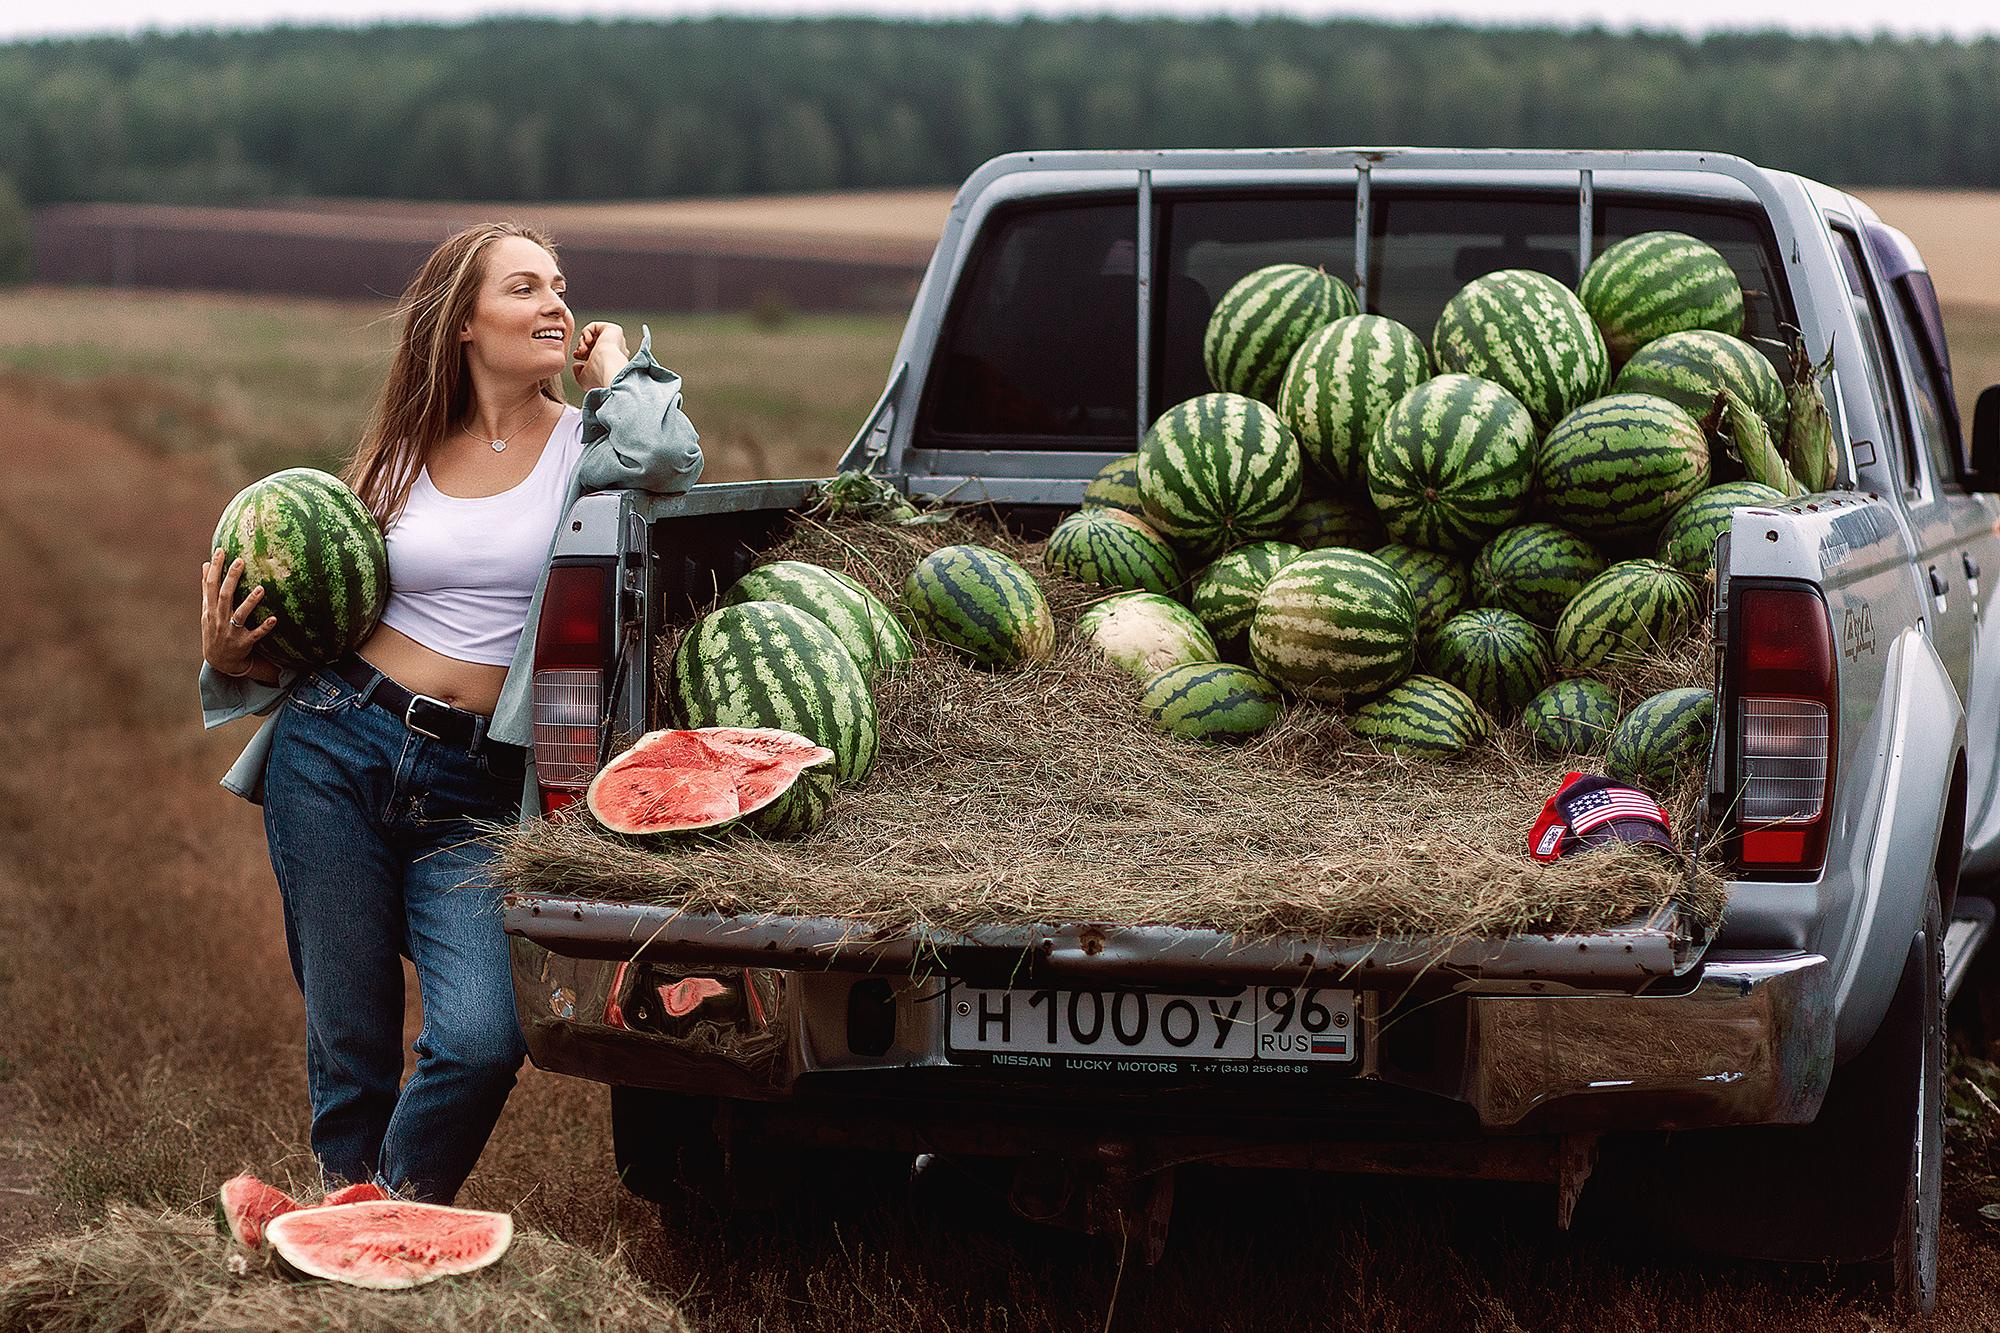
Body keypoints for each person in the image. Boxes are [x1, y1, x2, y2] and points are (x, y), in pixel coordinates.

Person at [197, 221, 703, 1203]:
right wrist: (228, 657)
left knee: (480, 1040)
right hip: (337, 743)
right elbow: (324, 605)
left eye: (559, 284)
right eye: (524, 287)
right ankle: (350, 1226)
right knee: (350, 1034)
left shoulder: (586, 443)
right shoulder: (400, 452)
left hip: (478, 786)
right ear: (464, 322)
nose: (554, 303)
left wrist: (615, 370)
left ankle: (387, 1211)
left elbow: (669, 456)